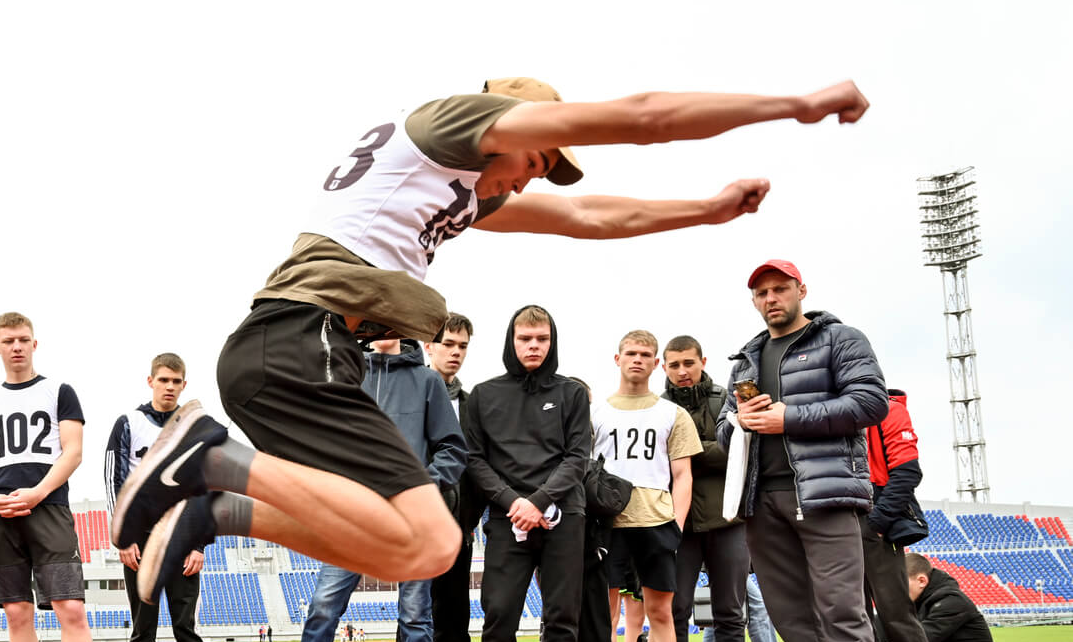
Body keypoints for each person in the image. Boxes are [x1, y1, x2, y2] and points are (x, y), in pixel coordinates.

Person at [109, 77, 872, 613]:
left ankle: (214, 510)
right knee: (424, 535)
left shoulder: (452, 192)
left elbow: (588, 218)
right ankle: (207, 456)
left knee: (424, 546)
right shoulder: (445, 127)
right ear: (507, 123)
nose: (527, 181)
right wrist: (795, 104)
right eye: (535, 156)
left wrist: (702, 211)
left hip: (296, 357)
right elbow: (643, 115)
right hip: (297, 337)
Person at [245, 337, 465, 642]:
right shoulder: (341, 379)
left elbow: (452, 449)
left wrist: (419, 486)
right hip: (349, 519)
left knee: (416, 617)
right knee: (322, 612)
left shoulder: (428, 381)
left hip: (409, 521)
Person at [718, 260, 892, 642]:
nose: (771, 298)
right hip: (761, 500)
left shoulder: (841, 339)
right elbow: (728, 433)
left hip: (824, 495)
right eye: (761, 292)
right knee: (790, 614)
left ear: (801, 291)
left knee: (841, 608)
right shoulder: (746, 360)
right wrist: (742, 423)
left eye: (780, 289)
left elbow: (870, 402)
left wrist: (788, 418)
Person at [0, 312, 128, 642]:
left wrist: (37, 492)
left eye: (23, 339)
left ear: (35, 344)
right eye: (8, 340)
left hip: (48, 507)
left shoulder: (59, 391)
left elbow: (72, 452)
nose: (16, 346)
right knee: (17, 614)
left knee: (71, 609)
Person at [460, 305, 588, 642]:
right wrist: (514, 501)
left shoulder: (572, 394)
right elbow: (474, 460)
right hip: (506, 517)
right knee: (498, 614)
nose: (533, 346)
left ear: (552, 343)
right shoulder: (482, 395)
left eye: (542, 339)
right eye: (525, 338)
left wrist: (540, 501)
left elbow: (578, 458)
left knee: (561, 616)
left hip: (562, 517)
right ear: (511, 341)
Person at [585, 330, 708, 642]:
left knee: (661, 612)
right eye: (631, 353)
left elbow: (683, 474)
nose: (638, 359)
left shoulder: (673, 414)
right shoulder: (595, 413)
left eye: (646, 355)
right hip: (608, 524)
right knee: (604, 615)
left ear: (657, 364)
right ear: (616, 358)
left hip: (656, 522)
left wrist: (677, 523)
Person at [661, 335, 774, 642]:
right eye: (674, 364)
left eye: (688, 363)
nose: (682, 371)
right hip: (679, 524)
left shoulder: (726, 398)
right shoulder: (657, 408)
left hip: (728, 520)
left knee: (731, 612)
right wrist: (708, 448)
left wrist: (686, 451)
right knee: (674, 612)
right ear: (665, 367)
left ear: (702, 361)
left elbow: (739, 450)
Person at [103, 353, 209, 642]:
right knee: (142, 627)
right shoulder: (128, 423)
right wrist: (124, 537)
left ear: (184, 385)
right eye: (163, 380)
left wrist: (199, 545)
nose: (169, 387)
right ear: (150, 381)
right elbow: (113, 479)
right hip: (141, 538)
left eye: (176, 381)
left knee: (186, 627)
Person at [418, 313, 484, 642]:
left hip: (459, 530)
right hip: (415, 529)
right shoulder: (411, 393)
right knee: (416, 619)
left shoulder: (474, 402)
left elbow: (477, 467)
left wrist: (467, 522)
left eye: (462, 346)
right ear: (429, 345)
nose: (455, 352)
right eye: (448, 344)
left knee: (455, 620)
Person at [863, 389, 945, 642]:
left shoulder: (888, 410)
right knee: (852, 614)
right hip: (835, 518)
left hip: (874, 518)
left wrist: (878, 523)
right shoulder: (828, 409)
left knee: (894, 610)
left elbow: (908, 472)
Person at [889, 553, 995, 642]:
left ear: (921, 580)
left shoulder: (952, 601)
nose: (896, 591)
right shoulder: (916, 602)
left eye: (901, 584)